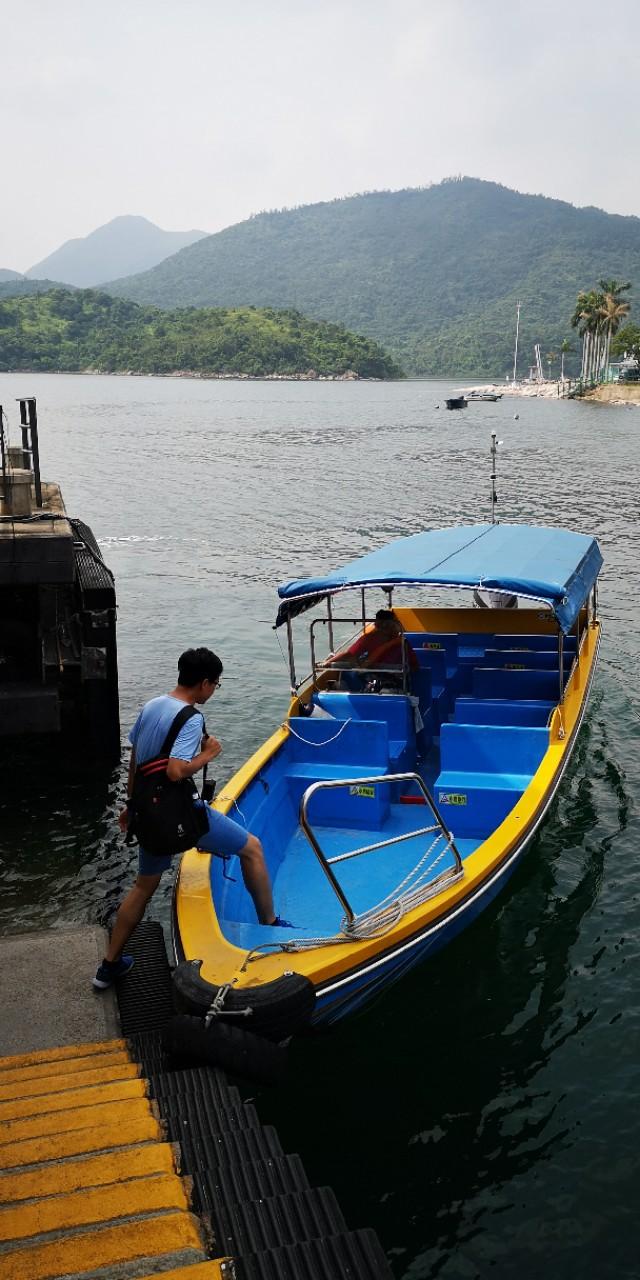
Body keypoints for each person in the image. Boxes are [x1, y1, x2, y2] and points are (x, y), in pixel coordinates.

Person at [93, 646, 288, 990]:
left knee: (142, 886)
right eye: (215, 685)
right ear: (203, 683)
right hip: (181, 814)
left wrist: (130, 805)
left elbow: (137, 761)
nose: (213, 691)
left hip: (150, 812)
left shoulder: (153, 705)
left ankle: (108, 967)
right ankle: (270, 923)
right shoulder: (190, 717)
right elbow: (175, 770)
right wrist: (208, 754)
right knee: (252, 848)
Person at [327, 608, 417, 691]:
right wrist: (327, 663)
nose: (385, 629)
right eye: (382, 626)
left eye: (388, 626)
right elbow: (352, 656)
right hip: (372, 677)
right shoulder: (369, 639)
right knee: (351, 673)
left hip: (393, 680)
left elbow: (414, 666)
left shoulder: (402, 643)